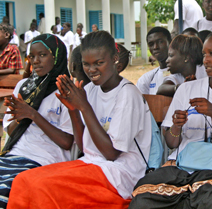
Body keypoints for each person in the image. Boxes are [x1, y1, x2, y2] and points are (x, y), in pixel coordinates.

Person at [7, 30, 151, 209]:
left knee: (42, 188)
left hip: (119, 175)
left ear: (115, 59)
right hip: (90, 164)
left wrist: (84, 107)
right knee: (23, 180)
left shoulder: (127, 95)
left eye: (99, 63)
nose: (91, 70)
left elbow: (111, 154)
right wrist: (74, 111)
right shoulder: (90, 90)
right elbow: (85, 147)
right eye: (86, 64)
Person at [129, 30, 212, 209]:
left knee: (211, 202)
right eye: (204, 54)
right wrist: (176, 127)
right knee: (142, 200)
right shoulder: (186, 89)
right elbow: (171, 143)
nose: (206, 60)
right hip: (179, 165)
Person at [1, 34, 73, 208]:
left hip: (45, 160)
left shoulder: (67, 91)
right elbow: (11, 131)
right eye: (31, 56)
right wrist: (19, 116)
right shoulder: (24, 87)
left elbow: (67, 142)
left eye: (42, 55)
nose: (36, 61)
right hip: (15, 154)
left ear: (56, 56)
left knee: (5, 192)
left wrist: (33, 114)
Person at [136, 27, 172, 95]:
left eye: (160, 42)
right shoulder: (145, 80)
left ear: (170, 42)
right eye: (151, 44)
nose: (155, 47)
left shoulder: (183, 74)